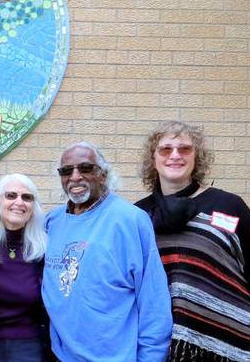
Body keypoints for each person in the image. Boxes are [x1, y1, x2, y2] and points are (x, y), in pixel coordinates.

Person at [135, 121, 250, 361]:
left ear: (197, 156)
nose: (175, 155)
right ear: (153, 159)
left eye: (184, 149)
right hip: (156, 348)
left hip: (227, 349)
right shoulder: (138, 216)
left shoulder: (229, 207)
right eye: (165, 149)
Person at [41, 141, 172, 362]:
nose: (75, 177)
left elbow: (153, 300)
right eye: (66, 171)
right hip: (59, 355)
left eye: (85, 168)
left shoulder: (131, 220)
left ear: (103, 174)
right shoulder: (52, 222)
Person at [0, 174, 49, 362]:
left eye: (27, 197)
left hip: (28, 343)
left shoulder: (44, 247)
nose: (19, 202)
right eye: (11, 195)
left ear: (33, 207)